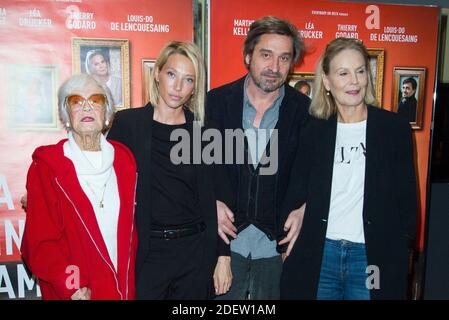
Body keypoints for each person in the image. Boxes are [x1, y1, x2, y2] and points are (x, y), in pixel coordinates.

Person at [280, 38, 417, 300]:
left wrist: (400, 251)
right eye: (343, 73)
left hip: (372, 258)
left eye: (360, 71)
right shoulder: (313, 132)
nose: (354, 81)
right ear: (328, 82)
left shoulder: (393, 129)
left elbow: (407, 201)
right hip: (322, 256)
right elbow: (296, 192)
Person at [107, 41, 232, 299]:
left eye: (188, 80)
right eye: (172, 75)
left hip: (195, 254)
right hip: (148, 252)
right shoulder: (128, 124)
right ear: (157, 74)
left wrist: (223, 257)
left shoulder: (205, 131)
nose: (177, 87)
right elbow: (101, 177)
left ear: (194, 87)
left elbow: (221, 198)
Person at [206, 16, 310, 300]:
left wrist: (306, 207)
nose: (274, 68)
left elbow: (321, 175)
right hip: (225, 250)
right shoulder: (214, 103)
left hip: (278, 253)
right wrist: (208, 202)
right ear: (248, 55)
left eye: (284, 58)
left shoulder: (307, 113)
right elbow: (195, 170)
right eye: (266, 55)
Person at [20, 73, 138, 300]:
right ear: (66, 115)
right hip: (79, 293)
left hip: (123, 289)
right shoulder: (48, 166)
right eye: (76, 101)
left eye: (95, 100)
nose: (86, 107)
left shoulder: (124, 160)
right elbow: (40, 242)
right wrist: (70, 286)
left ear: (107, 114)